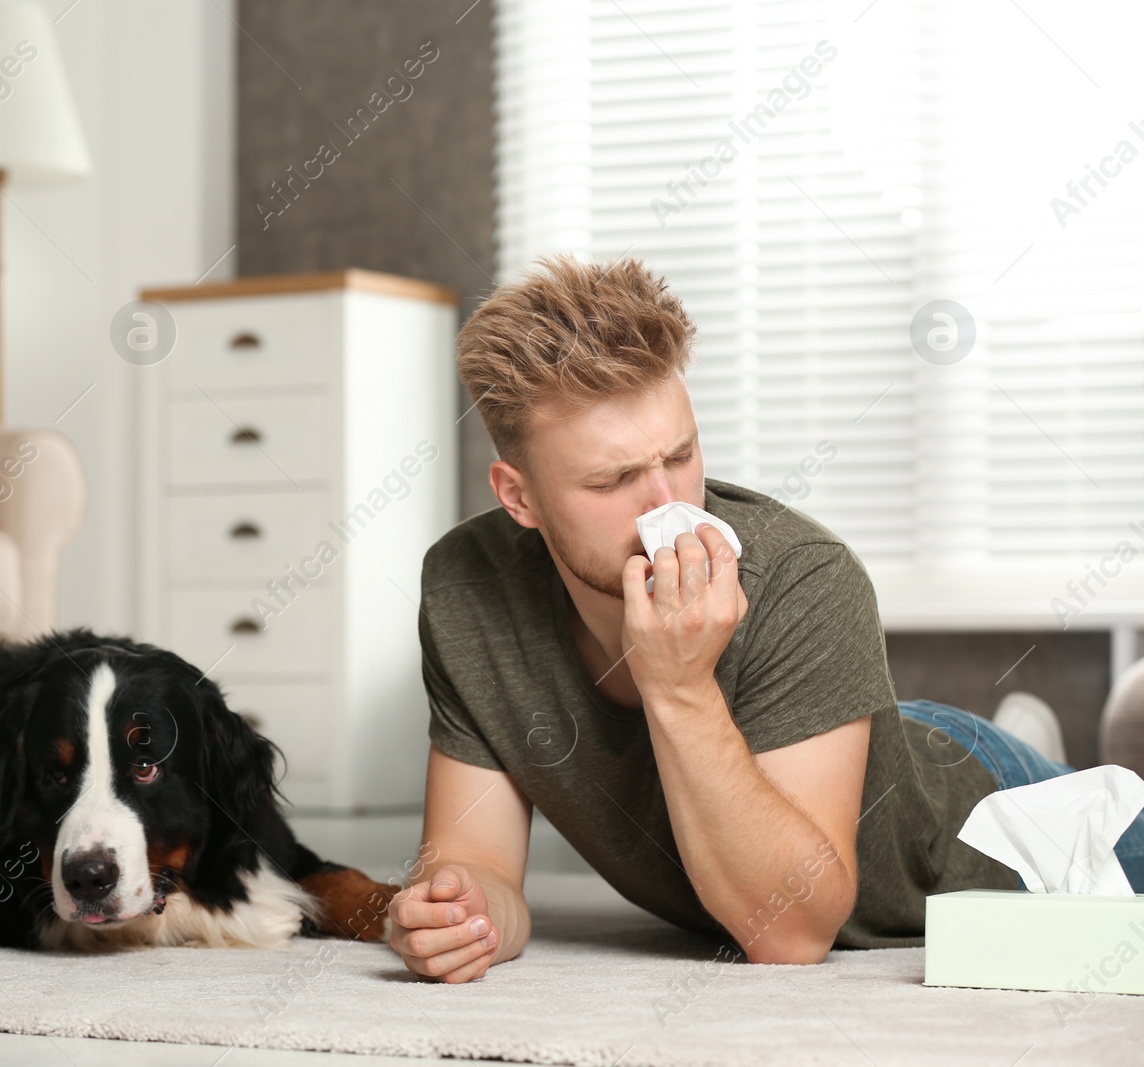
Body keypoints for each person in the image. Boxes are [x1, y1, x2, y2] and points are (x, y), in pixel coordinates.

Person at [386, 254, 1144, 984]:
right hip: (842, 735)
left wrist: (679, 688)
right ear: (517, 496)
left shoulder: (806, 576)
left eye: (681, 455)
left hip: (983, 807)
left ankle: (1028, 750)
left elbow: (789, 932)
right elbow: (479, 865)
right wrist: (461, 915)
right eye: (615, 478)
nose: (669, 507)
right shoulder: (466, 589)